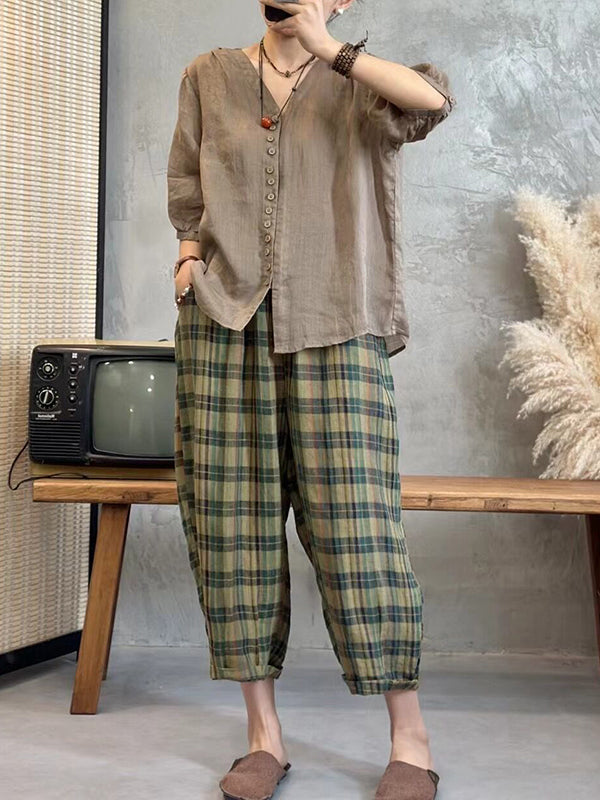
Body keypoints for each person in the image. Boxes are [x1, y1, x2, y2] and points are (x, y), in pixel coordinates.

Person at [167, 2, 455, 798]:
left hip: (337, 321)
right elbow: (187, 177)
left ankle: (410, 739)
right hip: (226, 323)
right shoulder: (207, 75)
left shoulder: (359, 78)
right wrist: (186, 258)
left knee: (359, 528)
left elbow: (432, 103)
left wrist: (330, 48)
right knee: (232, 524)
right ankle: (263, 736)